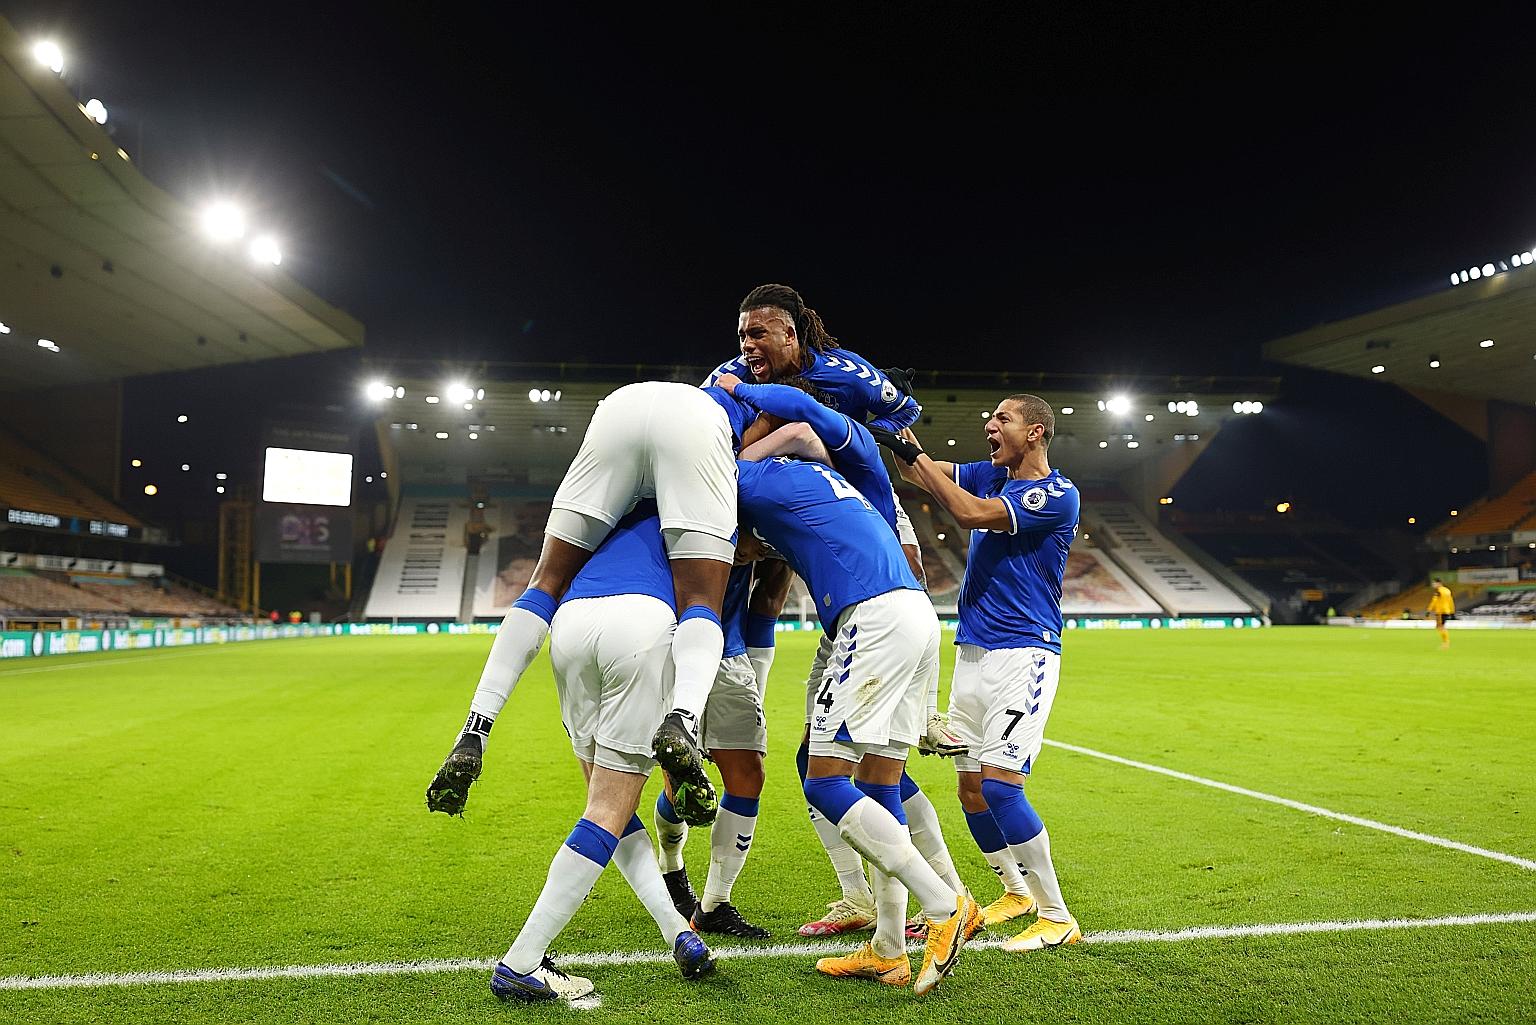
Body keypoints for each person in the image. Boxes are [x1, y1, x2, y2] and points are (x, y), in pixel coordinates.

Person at [426, 380, 774, 825]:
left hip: (617, 409)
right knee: (701, 600)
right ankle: (683, 719)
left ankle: (476, 726)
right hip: (695, 426)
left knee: (544, 584)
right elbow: (772, 437)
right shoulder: (755, 394)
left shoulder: (720, 379)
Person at [722, 373, 969, 940]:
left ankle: (944, 903)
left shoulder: (749, 479)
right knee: (883, 782)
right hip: (909, 610)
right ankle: (889, 940)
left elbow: (795, 422)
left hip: (871, 616)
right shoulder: (835, 465)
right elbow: (806, 431)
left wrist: (736, 393)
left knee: (824, 777)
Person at [872, 393, 1084, 951]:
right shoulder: (989, 473)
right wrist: (894, 422)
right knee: (971, 790)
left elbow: (966, 512)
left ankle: (1057, 917)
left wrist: (931, 466)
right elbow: (915, 473)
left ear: (1035, 432)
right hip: (973, 651)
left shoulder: (1056, 494)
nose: (989, 425)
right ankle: (1014, 892)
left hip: (1024, 654)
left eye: (1002, 419)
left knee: (1002, 787)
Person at [488, 501, 716, 1002]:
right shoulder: (687, 501)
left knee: (607, 801)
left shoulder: (602, 503)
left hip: (570, 624)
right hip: (641, 622)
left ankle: (675, 931)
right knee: (610, 806)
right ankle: (521, 961)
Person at [654, 556, 789, 940]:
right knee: (682, 790)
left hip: (730, 657)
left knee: (749, 777)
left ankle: (714, 905)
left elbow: (769, 597)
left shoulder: (751, 507)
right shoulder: (664, 511)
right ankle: (671, 865)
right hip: (669, 657)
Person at [1426, 576, 1455, 650]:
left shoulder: (1438, 591)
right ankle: (1445, 642)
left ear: (1438, 583)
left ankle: (1446, 643)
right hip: (1446, 611)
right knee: (1440, 626)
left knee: (1440, 627)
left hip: (1440, 611)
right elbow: (1451, 601)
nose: (1433, 585)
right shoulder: (1447, 590)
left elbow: (1434, 601)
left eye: (1434, 583)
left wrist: (1429, 610)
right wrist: (1452, 611)